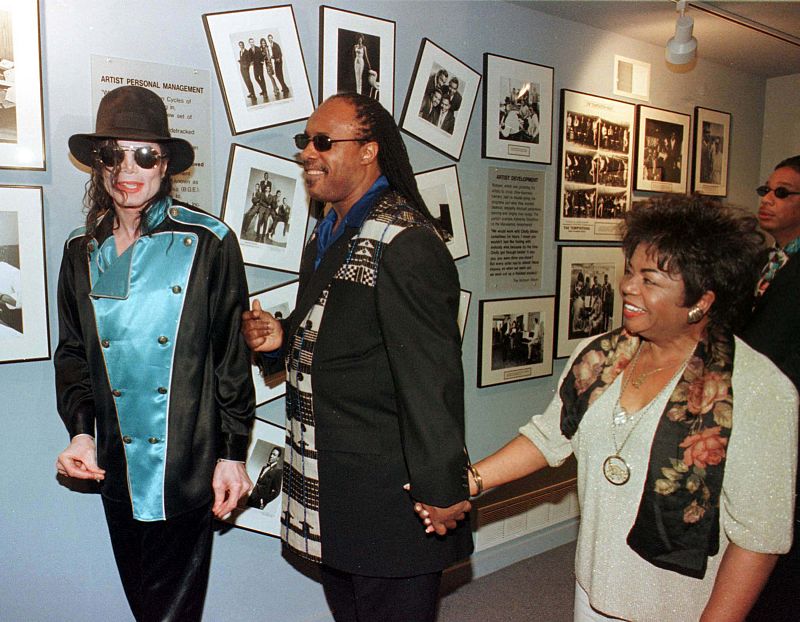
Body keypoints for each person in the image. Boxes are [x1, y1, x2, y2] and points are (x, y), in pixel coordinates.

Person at [421, 195, 798, 621]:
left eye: (650, 279)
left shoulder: (758, 390)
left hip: (680, 608)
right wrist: (462, 485)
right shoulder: (601, 357)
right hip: (593, 590)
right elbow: (550, 436)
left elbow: (758, 540)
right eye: (630, 270)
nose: (627, 287)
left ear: (702, 300)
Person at [242, 93, 472, 622]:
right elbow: (336, 327)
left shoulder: (406, 241)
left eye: (324, 141)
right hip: (333, 485)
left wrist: (442, 489)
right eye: (305, 141)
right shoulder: (328, 232)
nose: (307, 153)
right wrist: (283, 338)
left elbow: (430, 378)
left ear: (369, 151)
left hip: (390, 497)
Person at [54, 86, 255, 622]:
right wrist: (81, 431)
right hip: (115, 465)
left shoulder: (208, 241)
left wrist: (232, 453)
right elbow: (73, 353)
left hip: (186, 464)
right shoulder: (80, 249)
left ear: (166, 165)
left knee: (171, 613)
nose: (127, 169)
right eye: (112, 154)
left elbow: (229, 359)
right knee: (145, 604)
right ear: (97, 164)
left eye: (144, 155)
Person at [742, 155, 800, 622]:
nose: (768, 199)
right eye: (767, 189)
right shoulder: (764, 261)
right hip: (751, 402)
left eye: (783, 193)